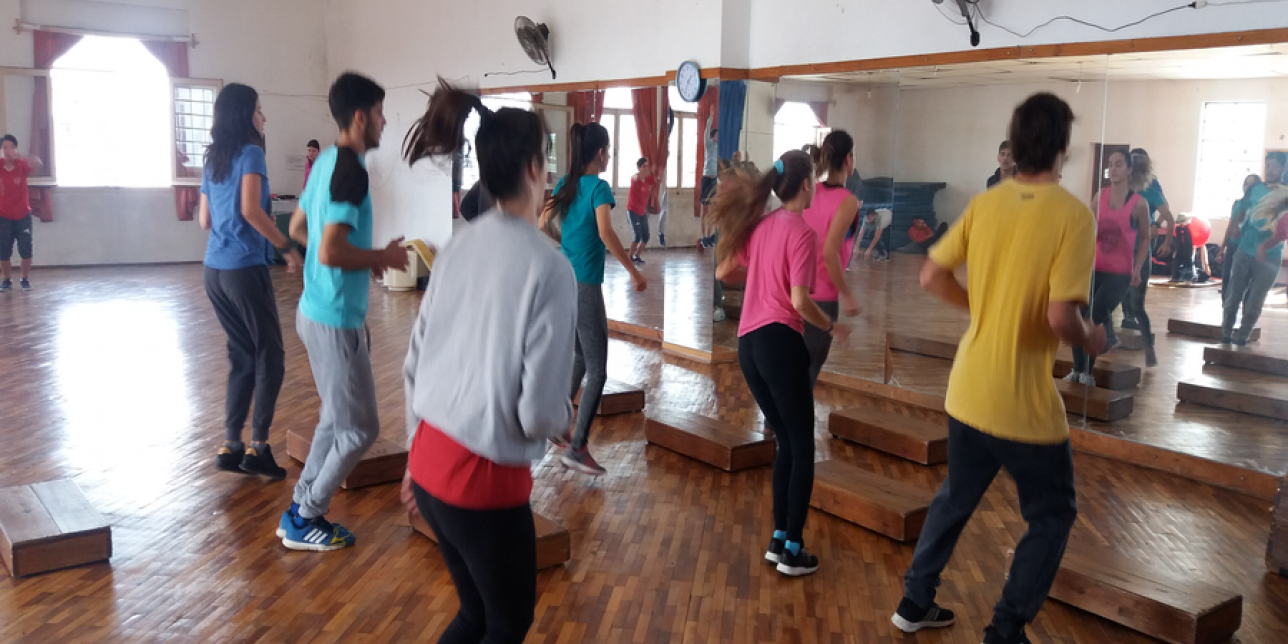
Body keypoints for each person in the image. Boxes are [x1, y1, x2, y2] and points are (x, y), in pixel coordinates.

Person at [891, 93, 1102, 644]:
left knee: (955, 498)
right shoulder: (1074, 217)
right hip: (1024, 408)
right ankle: (1005, 631)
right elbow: (1061, 315)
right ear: (1062, 148)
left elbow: (930, 277)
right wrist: (1092, 340)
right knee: (1053, 516)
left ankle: (914, 601)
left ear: (1017, 145)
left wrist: (979, 307)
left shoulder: (986, 205)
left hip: (967, 393)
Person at [399, 80, 576, 644]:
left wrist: (411, 458)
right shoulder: (550, 267)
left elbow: (415, 361)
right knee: (507, 622)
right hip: (482, 485)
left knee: (476, 615)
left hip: (428, 463)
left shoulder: (457, 245)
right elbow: (536, 412)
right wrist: (562, 423)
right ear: (534, 167)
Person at [280, 72, 408, 551]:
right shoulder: (349, 170)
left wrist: (357, 260)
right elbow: (331, 251)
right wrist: (379, 258)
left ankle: (299, 511)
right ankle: (307, 514)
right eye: (379, 113)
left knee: (337, 420)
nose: (384, 121)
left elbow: (299, 228)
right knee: (360, 428)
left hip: (320, 311)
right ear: (361, 117)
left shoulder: (327, 163)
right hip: (332, 318)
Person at [710, 150, 852, 578]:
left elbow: (721, 272)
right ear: (807, 184)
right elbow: (799, 301)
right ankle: (792, 548)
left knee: (786, 443)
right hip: (778, 343)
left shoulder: (762, 227)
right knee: (802, 445)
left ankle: (779, 539)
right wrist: (830, 326)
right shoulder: (802, 233)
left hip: (748, 348)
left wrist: (758, 275)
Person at [199, 84, 301, 479]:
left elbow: (205, 220)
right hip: (244, 268)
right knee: (270, 354)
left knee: (242, 353)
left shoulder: (213, 159)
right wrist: (286, 247)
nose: (264, 116)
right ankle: (258, 447)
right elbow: (251, 211)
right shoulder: (252, 153)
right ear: (245, 115)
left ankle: (231, 443)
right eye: (260, 110)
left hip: (214, 271)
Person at [540, 122, 647, 476]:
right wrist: (633, 272)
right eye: (610, 150)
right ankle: (578, 445)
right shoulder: (598, 189)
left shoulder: (563, 185)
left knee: (579, 358)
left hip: (562, 283)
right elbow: (605, 231)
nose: (610, 155)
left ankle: (557, 423)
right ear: (600, 153)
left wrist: (567, 244)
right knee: (598, 370)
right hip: (585, 287)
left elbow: (543, 222)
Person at [1064, 150, 1151, 384]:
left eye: (1119, 165)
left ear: (1129, 170)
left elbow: (1145, 238)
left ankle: (1088, 373)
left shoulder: (1138, 204)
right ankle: (1077, 369)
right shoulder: (1099, 196)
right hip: (1094, 268)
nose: (1113, 169)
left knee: (1094, 318)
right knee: (1080, 317)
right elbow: (1085, 228)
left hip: (1119, 274)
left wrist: (1137, 268)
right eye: (1110, 165)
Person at [802, 131, 863, 386]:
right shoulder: (847, 202)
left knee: (796, 365)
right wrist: (847, 294)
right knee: (809, 368)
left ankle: (773, 424)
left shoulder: (811, 191)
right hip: (822, 296)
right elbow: (829, 253)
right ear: (849, 159)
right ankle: (785, 424)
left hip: (797, 289)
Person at [1106, 148, 1174, 367]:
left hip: (1139, 253)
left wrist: (1165, 239)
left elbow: (1169, 218)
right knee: (1106, 299)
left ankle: (1148, 347)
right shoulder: (1120, 192)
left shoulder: (1151, 192)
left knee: (1137, 305)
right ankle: (1111, 335)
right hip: (1119, 252)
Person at [1222, 158, 1287, 346]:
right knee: (1234, 294)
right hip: (1245, 249)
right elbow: (1241, 208)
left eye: (1275, 165)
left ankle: (1243, 335)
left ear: (1283, 168)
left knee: (1255, 299)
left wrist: (1267, 246)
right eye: (1268, 165)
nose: (1271, 169)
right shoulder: (1255, 190)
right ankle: (1226, 332)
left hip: (1270, 255)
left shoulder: (1285, 194)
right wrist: (1235, 224)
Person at [0, 134, 42, 292]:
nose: (8, 150)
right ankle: (6, 280)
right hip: (3, 216)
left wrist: (18, 156)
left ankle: (25, 279)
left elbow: (38, 162)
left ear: (15, 149)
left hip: (23, 215)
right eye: (5, 147)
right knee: (3, 251)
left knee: (26, 249)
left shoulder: (21, 165)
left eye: (11, 147)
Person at [1218, 174, 1263, 288]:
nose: (1248, 187)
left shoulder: (1260, 206)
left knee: (1243, 279)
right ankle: (1226, 303)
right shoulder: (1237, 203)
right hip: (1233, 244)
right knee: (1227, 277)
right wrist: (1222, 249)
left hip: (1248, 247)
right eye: (1246, 183)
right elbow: (1230, 226)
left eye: (1252, 184)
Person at [627, 157, 657, 264]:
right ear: (639, 168)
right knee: (637, 236)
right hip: (632, 211)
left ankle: (637, 255)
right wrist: (641, 174)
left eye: (647, 166)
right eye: (644, 166)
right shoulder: (635, 178)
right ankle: (630, 257)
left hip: (642, 212)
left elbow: (657, 178)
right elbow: (635, 178)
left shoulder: (648, 180)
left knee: (646, 236)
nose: (646, 168)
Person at [699, 116, 719, 247]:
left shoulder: (719, 147)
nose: (719, 138)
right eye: (717, 135)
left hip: (715, 180)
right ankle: (704, 236)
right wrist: (710, 118)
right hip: (706, 178)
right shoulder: (709, 144)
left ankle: (710, 236)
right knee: (704, 210)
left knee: (712, 210)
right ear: (713, 137)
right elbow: (706, 132)